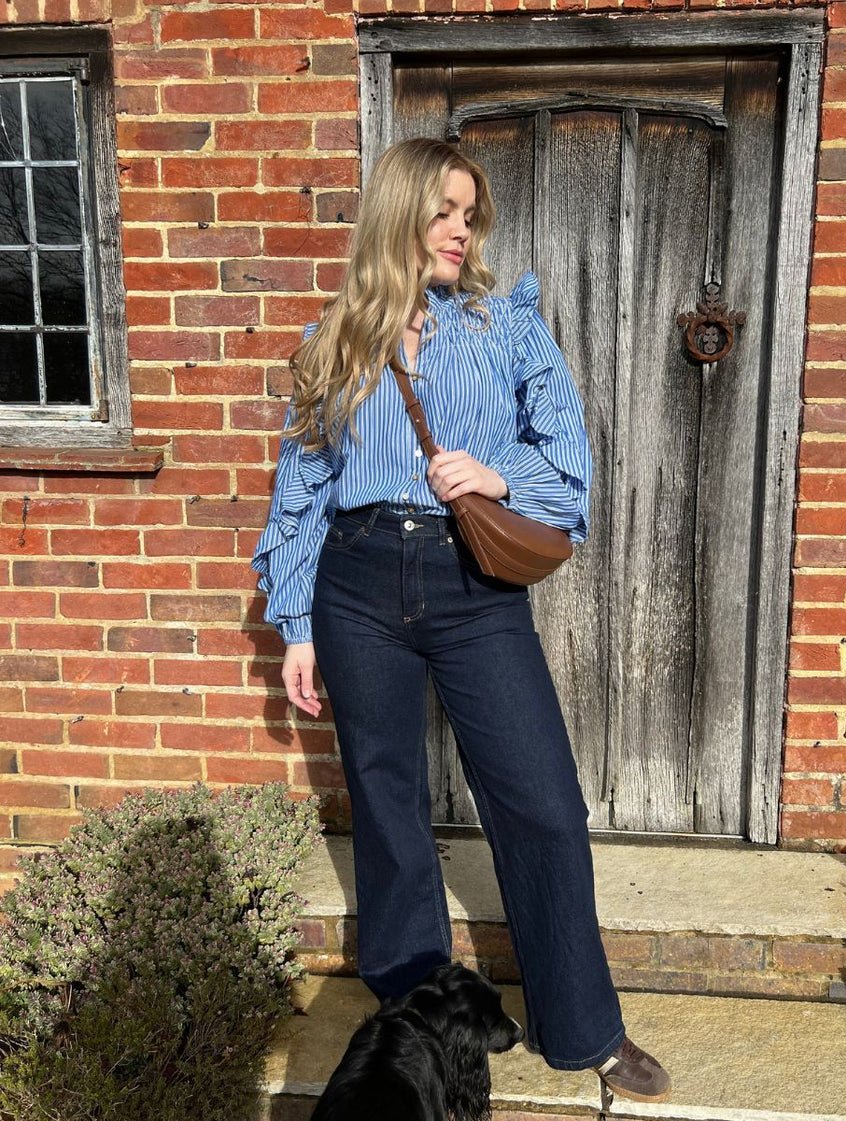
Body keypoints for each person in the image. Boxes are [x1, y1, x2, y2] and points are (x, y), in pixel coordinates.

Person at [250, 136, 672, 1104]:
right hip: (356, 583)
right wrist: (298, 624)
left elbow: (567, 455)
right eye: (443, 209)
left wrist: (495, 473)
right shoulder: (338, 337)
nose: (459, 229)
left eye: (469, 213)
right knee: (389, 803)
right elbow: (302, 488)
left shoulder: (504, 324)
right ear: (398, 213)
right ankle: (411, 1011)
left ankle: (586, 1027)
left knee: (542, 803)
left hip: (470, 582)